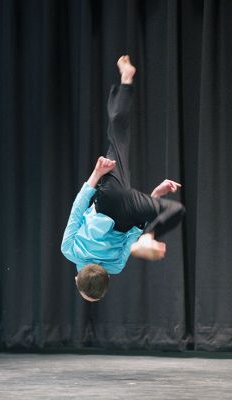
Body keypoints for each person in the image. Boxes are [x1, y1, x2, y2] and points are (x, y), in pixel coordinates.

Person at [61, 56, 185, 302]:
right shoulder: (70, 251)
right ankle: (126, 79)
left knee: (177, 209)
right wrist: (96, 174)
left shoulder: (115, 267)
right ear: (77, 279)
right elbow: (77, 210)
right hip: (109, 200)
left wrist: (155, 197)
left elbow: (130, 235)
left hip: (127, 214)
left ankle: (151, 235)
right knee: (117, 134)